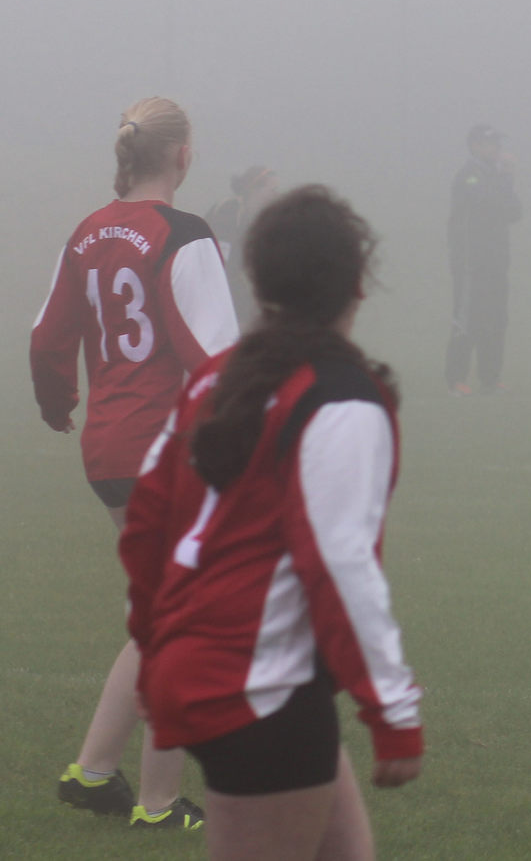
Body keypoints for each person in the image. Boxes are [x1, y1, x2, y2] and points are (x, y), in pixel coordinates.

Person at [120, 185, 424, 861]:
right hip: (255, 689)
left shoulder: (216, 379)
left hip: (218, 672)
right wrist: (393, 713)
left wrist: (154, 653)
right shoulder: (342, 398)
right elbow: (341, 563)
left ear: (258, 281)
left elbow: (146, 525)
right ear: (358, 285)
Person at [30, 96, 239, 828]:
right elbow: (214, 360)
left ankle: (92, 774)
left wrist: (58, 405)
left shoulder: (87, 232)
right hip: (164, 447)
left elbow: (46, 336)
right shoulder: (184, 235)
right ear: (183, 156)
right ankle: (155, 803)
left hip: (109, 446)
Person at [445, 123, 522, 396]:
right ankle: (457, 379)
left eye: (498, 144)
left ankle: (491, 378)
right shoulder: (470, 175)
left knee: (496, 318)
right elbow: (488, 204)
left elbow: (514, 212)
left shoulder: (496, 176)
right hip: (470, 261)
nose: (497, 150)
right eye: (491, 144)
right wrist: (504, 181)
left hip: (496, 260)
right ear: (475, 146)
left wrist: (507, 179)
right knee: (468, 317)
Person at [206, 164, 279, 320]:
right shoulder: (227, 212)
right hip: (220, 297)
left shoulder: (264, 220)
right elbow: (223, 264)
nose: (276, 195)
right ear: (254, 189)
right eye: (272, 190)